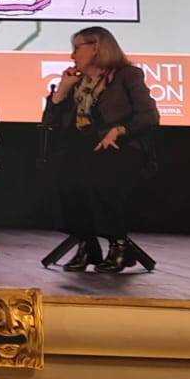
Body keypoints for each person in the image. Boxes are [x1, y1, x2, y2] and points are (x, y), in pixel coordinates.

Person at [41, 25, 159, 272]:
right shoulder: (77, 82)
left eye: (77, 49)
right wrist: (62, 90)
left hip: (122, 145)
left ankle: (119, 244)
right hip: (85, 147)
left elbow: (149, 116)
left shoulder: (126, 75)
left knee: (97, 175)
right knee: (61, 174)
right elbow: (50, 123)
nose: (72, 55)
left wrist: (119, 130)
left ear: (96, 48)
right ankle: (87, 243)